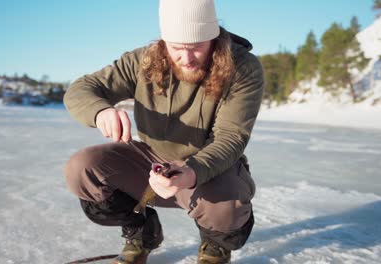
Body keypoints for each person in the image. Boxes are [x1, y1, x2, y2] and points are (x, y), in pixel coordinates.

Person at [63, 0, 264, 263]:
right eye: (177, 48)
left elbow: (230, 138)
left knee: (227, 207)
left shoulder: (243, 68)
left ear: (214, 38)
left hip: (209, 167)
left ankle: (215, 246)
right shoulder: (143, 60)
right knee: (82, 169)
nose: (187, 58)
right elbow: (82, 89)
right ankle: (141, 232)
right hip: (148, 160)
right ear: (163, 41)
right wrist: (100, 111)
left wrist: (191, 171)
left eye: (197, 48)